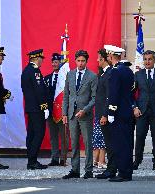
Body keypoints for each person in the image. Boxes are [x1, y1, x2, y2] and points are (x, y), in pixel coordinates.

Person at [62, 50, 98, 179]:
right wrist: (64, 113)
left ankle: (88, 170)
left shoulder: (92, 76)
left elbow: (94, 98)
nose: (80, 63)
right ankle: (75, 170)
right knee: (74, 143)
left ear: (86, 62)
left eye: (83, 61)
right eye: (78, 61)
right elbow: (66, 95)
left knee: (88, 143)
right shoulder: (70, 74)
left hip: (85, 115)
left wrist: (85, 110)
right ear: (75, 61)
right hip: (72, 115)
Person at [104, 45, 134, 182]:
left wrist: (111, 111)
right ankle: (127, 171)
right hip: (127, 111)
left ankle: (123, 173)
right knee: (127, 143)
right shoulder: (128, 71)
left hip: (118, 113)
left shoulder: (115, 72)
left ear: (111, 56)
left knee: (120, 143)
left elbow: (114, 94)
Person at [21, 49, 49, 170]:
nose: (42, 61)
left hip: (30, 107)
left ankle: (31, 160)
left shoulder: (26, 71)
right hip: (37, 108)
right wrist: (44, 106)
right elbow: (39, 90)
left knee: (31, 134)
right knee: (39, 133)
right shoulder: (35, 71)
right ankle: (32, 161)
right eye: (41, 59)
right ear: (37, 59)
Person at [44, 53, 69, 166]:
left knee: (63, 136)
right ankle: (54, 158)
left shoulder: (65, 78)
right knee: (53, 137)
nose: (54, 64)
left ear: (60, 63)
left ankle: (63, 158)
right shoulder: (47, 78)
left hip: (62, 111)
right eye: (53, 62)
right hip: (50, 112)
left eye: (57, 62)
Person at [92, 49, 112, 171]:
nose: (97, 60)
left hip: (104, 112)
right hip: (98, 111)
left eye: (99, 58)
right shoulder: (102, 73)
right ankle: (97, 160)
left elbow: (108, 96)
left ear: (104, 59)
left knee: (103, 138)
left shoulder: (109, 73)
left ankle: (101, 160)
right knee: (98, 137)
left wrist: (105, 114)